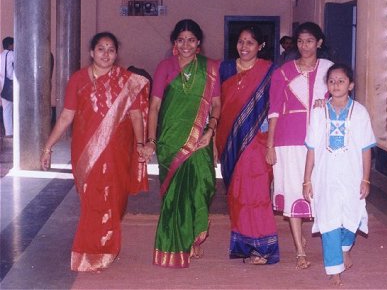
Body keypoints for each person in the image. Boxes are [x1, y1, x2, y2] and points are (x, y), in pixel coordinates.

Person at [40, 32, 150, 272]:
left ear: (116, 54)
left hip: (117, 151)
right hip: (85, 152)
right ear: (91, 52)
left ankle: (105, 245)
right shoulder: (78, 79)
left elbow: (135, 116)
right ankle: (94, 251)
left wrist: (141, 144)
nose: (106, 54)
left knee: (115, 200)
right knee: (93, 201)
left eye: (111, 49)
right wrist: (47, 146)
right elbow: (67, 115)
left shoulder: (126, 80)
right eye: (101, 49)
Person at [144, 19, 221, 268]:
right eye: (181, 40)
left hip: (201, 137)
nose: (186, 44)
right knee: (175, 195)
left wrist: (210, 130)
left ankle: (192, 237)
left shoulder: (210, 68)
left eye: (191, 39)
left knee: (201, 187)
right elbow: (154, 107)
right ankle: (181, 242)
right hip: (170, 139)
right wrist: (152, 141)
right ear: (174, 43)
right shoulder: (164, 66)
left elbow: (217, 104)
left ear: (198, 43)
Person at [266, 22, 334, 269]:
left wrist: (325, 106)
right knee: (296, 190)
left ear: (319, 43)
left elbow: (341, 101)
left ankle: (332, 246)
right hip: (288, 141)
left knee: (323, 192)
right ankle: (299, 249)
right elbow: (274, 111)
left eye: (309, 41)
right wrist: (270, 145)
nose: (304, 46)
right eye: (301, 41)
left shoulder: (330, 71)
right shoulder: (282, 73)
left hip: (322, 141)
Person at [303, 63, 376, 286]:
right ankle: (334, 269)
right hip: (324, 177)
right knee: (328, 219)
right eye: (332, 81)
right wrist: (307, 180)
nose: (336, 85)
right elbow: (312, 148)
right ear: (327, 85)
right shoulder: (318, 112)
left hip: (352, 175)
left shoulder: (360, 112)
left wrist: (365, 178)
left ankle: (345, 248)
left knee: (353, 217)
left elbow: (366, 149)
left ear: (351, 85)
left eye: (341, 81)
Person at [216, 25, 279, 265]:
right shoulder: (225, 69)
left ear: (260, 46)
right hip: (229, 141)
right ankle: (244, 245)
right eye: (241, 42)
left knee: (258, 195)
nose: (244, 47)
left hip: (258, 141)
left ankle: (263, 248)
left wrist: (272, 143)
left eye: (250, 42)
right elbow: (216, 104)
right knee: (237, 194)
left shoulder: (270, 71)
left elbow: (275, 109)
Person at [0, 37, 14, 137]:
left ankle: (9, 132)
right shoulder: (12, 54)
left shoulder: (0, 56)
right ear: (10, 45)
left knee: (6, 110)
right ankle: (17, 130)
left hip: (2, 86)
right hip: (12, 85)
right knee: (17, 108)